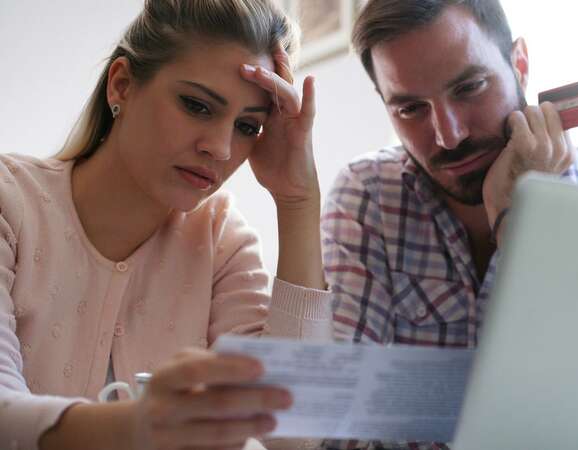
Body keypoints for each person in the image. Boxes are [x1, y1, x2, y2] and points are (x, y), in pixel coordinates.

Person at [321, 0, 578, 448]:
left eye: (469, 87)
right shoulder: (368, 196)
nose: (449, 135)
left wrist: (523, 222)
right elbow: (336, 428)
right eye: (411, 109)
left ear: (520, 65)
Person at [0, 1, 333, 449]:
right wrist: (138, 426)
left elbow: (296, 435)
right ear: (121, 85)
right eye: (196, 105)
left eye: (247, 127)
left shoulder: (220, 237)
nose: (219, 147)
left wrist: (298, 200)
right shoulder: (9, 201)